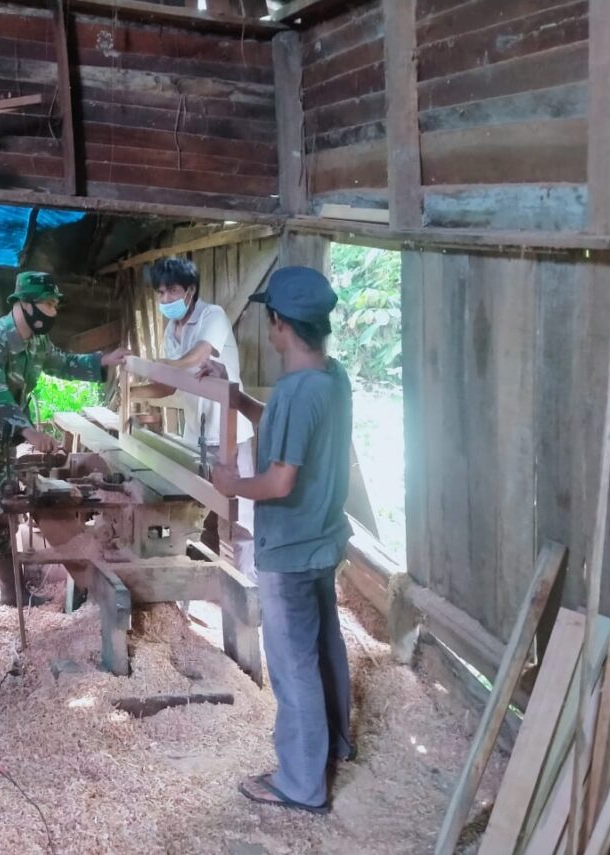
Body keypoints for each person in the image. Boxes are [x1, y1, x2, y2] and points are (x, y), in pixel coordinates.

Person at [204, 265, 354, 814]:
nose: (269, 328)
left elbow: (280, 481)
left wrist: (231, 484)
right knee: (325, 649)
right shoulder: (331, 379)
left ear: (280, 325)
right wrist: (239, 399)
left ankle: (300, 784)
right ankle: (336, 744)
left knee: (293, 668)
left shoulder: (295, 391)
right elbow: (289, 425)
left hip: (288, 553)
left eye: (270, 319)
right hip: (323, 541)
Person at [0, 271, 129, 642]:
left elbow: (64, 362)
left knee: (0, 513)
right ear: (23, 303)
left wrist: (105, 360)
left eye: (55, 303)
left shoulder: (37, 343)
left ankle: (12, 592)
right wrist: (29, 431)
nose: (53, 310)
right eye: (48, 303)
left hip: (0, 442)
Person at [130, 257, 255, 554]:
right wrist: (133, 394)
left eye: (172, 290)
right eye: (160, 293)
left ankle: (246, 588)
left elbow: (201, 355)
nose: (165, 298)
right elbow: (171, 383)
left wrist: (167, 364)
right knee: (199, 515)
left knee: (240, 520)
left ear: (190, 290)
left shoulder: (213, 315)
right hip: (195, 438)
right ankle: (207, 580)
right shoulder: (171, 329)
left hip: (229, 435)